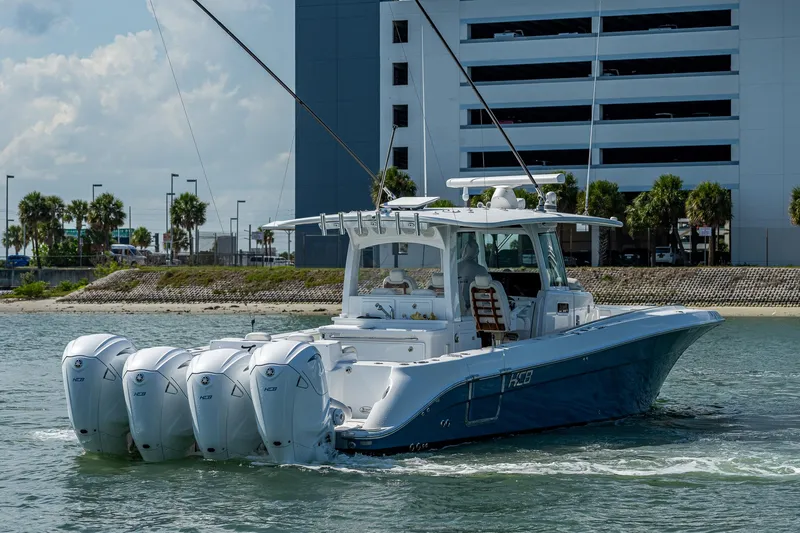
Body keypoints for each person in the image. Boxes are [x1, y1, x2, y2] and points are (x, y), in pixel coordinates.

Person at [457, 238, 488, 314]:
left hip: (455, 308)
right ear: (477, 253)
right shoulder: (482, 270)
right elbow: (486, 294)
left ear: (463, 251)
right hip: (475, 310)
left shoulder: (452, 268)